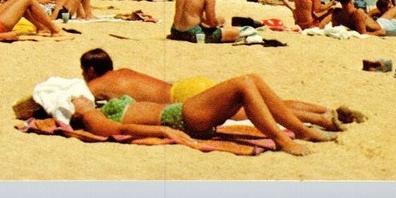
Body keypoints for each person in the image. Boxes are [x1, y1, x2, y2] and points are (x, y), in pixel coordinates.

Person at [79, 48, 362, 131]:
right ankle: (325, 109)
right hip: (187, 85)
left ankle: (322, 120)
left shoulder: (95, 84)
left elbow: (73, 100)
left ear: (91, 70)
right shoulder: (123, 72)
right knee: (266, 99)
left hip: (185, 98)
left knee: (250, 111)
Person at [69, 73, 336, 156]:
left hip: (186, 115)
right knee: (244, 83)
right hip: (182, 117)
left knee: (251, 80)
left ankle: (301, 130)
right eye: (76, 103)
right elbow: (118, 132)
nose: (78, 99)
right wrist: (161, 131)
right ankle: (285, 139)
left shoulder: (101, 106)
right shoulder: (91, 119)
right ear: (77, 115)